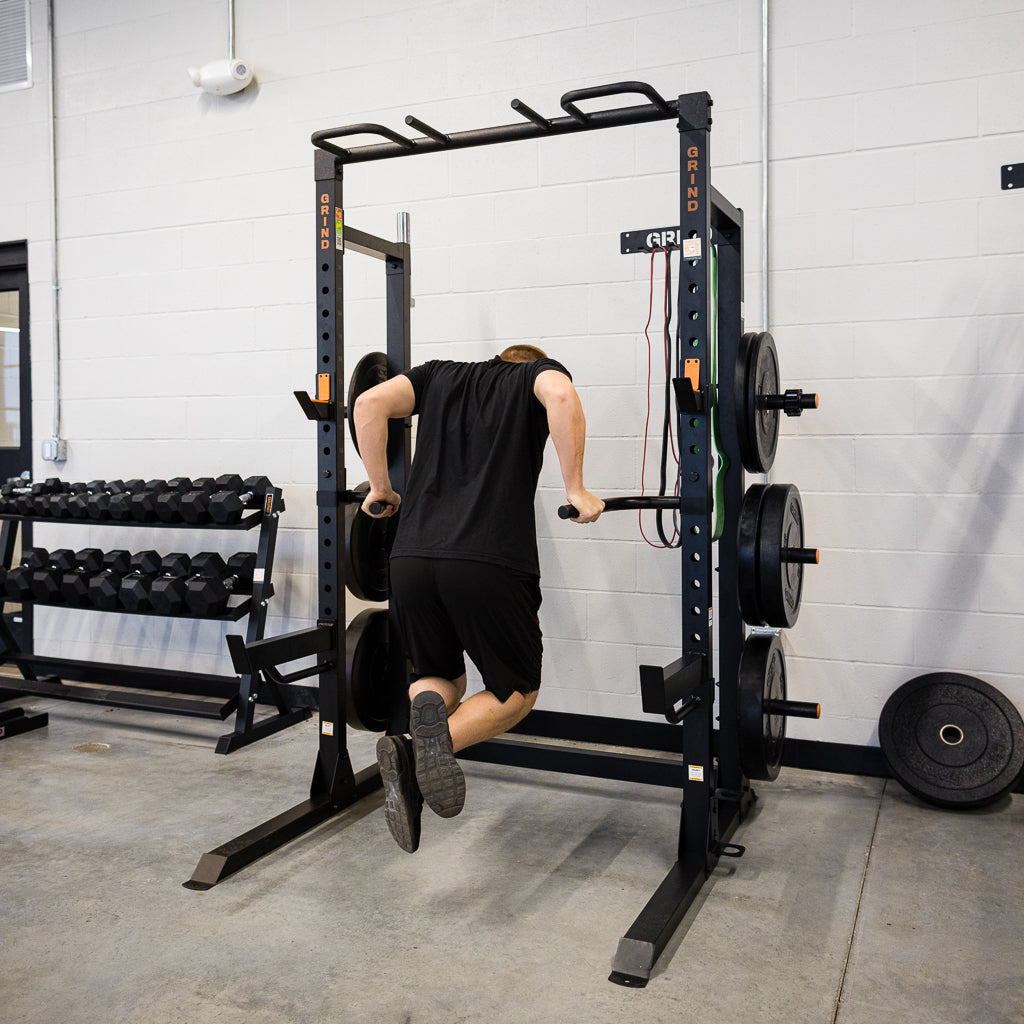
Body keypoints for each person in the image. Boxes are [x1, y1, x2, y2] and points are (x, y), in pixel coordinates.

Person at [353, 343, 603, 853]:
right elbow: (558, 391)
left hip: (411, 558)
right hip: (489, 562)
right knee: (516, 692)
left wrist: (380, 488)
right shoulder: (539, 376)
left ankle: (420, 726)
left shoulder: (438, 375)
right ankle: (413, 749)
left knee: (441, 677)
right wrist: (577, 488)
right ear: (530, 365)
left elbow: (367, 404)